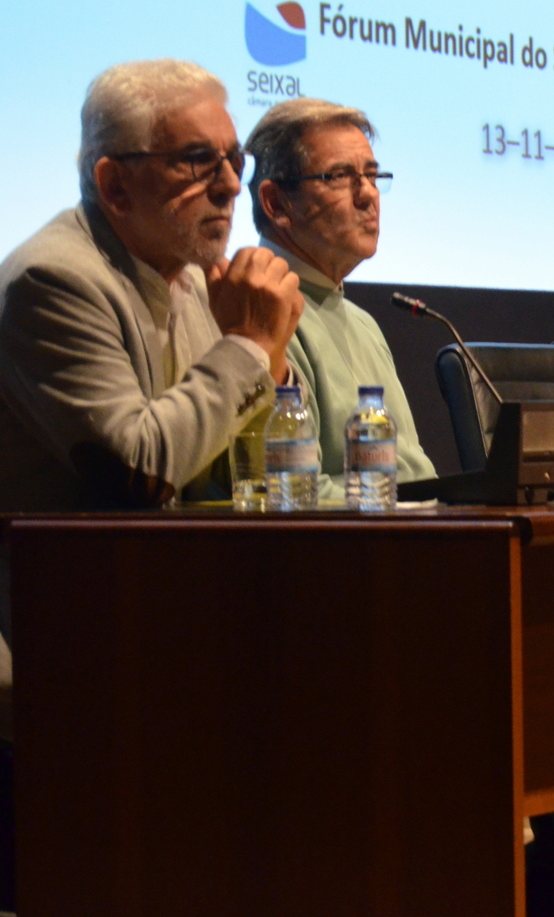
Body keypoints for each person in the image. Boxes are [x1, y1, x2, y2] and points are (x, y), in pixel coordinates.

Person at [0, 59, 304, 740]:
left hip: (172, 620)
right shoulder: (54, 280)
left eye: (234, 159)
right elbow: (138, 471)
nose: (230, 185)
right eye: (197, 160)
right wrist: (250, 345)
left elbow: (247, 463)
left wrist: (275, 363)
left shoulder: (191, 279)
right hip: (68, 646)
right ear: (114, 183)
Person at [245, 98, 436, 499]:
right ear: (276, 203)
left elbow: (413, 472)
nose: (368, 195)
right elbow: (294, 494)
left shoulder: (363, 323)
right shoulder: (256, 316)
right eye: (340, 176)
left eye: (372, 175)